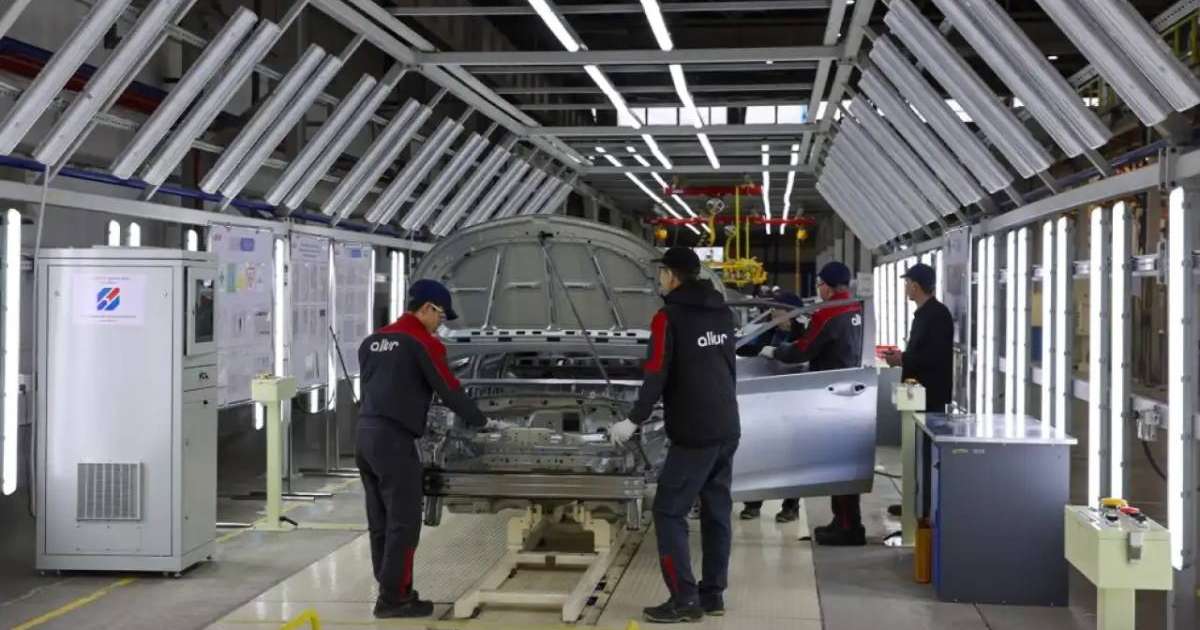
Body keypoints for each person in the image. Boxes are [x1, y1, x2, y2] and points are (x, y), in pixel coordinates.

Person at [609, 247, 740, 623]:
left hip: (694, 433)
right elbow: (727, 366)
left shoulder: (668, 317)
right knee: (717, 512)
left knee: (668, 511)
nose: (659, 280)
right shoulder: (722, 312)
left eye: (661, 273)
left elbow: (656, 372)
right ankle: (712, 595)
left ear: (671, 275)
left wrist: (632, 420)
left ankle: (684, 600)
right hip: (727, 426)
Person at [356, 279, 488, 618]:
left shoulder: (372, 341)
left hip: (365, 436)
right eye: (440, 317)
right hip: (394, 441)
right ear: (427, 308)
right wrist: (482, 421)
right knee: (404, 522)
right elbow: (449, 389)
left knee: (380, 520)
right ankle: (394, 599)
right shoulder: (422, 342)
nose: (439, 325)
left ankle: (390, 590)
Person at [761, 262, 866, 546]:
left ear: (828, 287)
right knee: (844, 461)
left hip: (831, 397)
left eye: (820, 284)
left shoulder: (828, 313)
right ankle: (844, 521)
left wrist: (776, 351)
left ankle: (848, 527)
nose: (818, 289)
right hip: (851, 391)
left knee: (838, 463)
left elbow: (804, 349)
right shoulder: (855, 308)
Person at [736, 291, 805, 523]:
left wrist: (779, 353)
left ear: (792, 313)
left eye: (778, 309)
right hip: (766, 401)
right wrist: (757, 348)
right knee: (760, 449)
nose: (774, 313)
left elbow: (805, 355)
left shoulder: (804, 334)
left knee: (792, 455)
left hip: (794, 401)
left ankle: (791, 506)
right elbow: (743, 348)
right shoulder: (767, 331)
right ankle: (753, 503)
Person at [882, 263, 953, 412]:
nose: (905, 287)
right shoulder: (923, 314)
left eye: (907, 282)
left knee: (922, 427)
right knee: (909, 427)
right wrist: (901, 357)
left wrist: (901, 359)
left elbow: (934, 357)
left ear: (915, 286)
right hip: (914, 390)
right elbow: (921, 351)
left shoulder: (938, 315)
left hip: (928, 396)